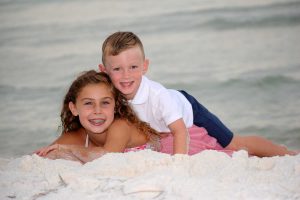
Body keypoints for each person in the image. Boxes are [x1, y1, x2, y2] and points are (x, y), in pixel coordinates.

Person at [98, 31, 297, 157]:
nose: (126, 76)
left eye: (133, 67)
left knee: (235, 144)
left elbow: (180, 131)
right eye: (117, 69)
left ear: (145, 66)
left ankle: (286, 153)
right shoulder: (109, 97)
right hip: (158, 126)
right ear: (104, 71)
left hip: (188, 107)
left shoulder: (158, 95)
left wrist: (179, 165)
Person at [35, 70, 230, 163]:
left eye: (105, 103)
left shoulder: (119, 126)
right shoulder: (77, 135)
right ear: (74, 108)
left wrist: (67, 150)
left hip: (178, 143)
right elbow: (46, 154)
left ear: (115, 106)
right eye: (88, 103)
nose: (97, 111)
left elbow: (105, 156)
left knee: (238, 146)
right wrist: (56, 151)